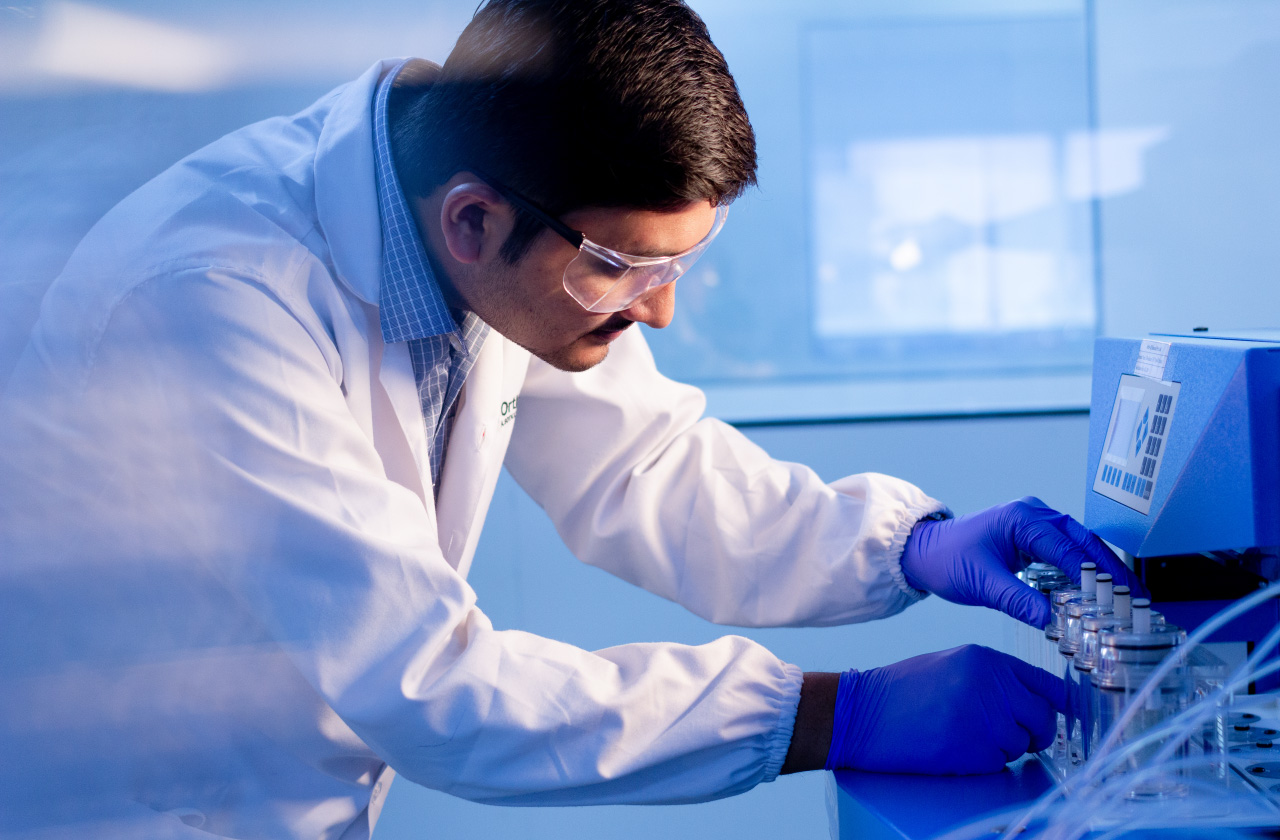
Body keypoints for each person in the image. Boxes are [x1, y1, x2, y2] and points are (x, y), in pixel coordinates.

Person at [0, 1, 1142, 837]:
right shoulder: (215, 297)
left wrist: (909, 544)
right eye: (623, 268)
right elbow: (432, 687)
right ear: (473, 222)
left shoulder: (473, 216)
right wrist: (828, 717)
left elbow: (645, 468)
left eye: (679, 262)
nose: (662, 307)